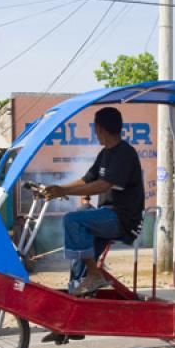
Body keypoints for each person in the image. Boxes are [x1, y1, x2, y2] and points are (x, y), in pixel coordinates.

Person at [45, 107, 145, 297]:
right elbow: (86, 180)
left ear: (99, 128)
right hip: (107, 216)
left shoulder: (125, 153)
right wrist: (57, 189)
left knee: (72, 220)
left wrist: (64, 191)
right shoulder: (105, 153)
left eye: (95, 128)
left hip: (122, 219)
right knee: (80, 250)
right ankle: (78, 289)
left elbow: (102, 185)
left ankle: (94, 274)